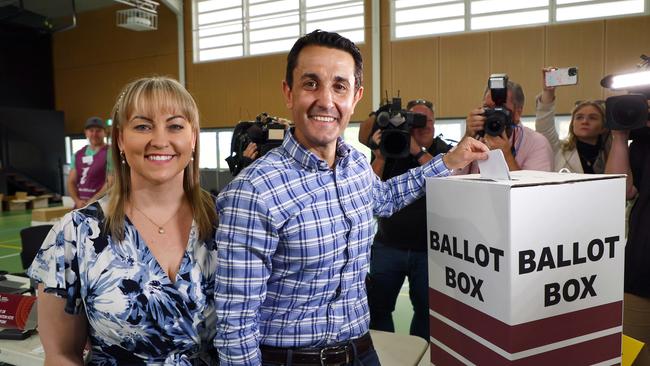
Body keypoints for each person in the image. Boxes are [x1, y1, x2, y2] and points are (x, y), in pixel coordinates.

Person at [214, 29, 488, 366]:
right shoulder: (253, 191)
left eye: (339, 86)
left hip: (361, 351)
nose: (326, 100)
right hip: (290, 359)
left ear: (355, 96)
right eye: (311, 83)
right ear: (288, 92)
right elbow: (235, 323)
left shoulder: (356, 166)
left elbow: (385, 198)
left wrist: (448, 162)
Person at [28, 76, 219, 365]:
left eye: (175, 126)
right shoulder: (75, 234)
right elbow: (61, 354)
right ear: (120, 138)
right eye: (142, 126)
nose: (159, 140)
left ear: (192, 137)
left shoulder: (228, 222)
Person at [358, 99, 450, 340]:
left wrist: (417, 151)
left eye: (426, 119)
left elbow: (446, 185)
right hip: (388, 246)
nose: (422, 125)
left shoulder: (444, 151)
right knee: (378, 308)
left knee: (426, 312)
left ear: (434, 122)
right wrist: (380, 155)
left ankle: (420, 354)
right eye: (415, 120)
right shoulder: (391, 149)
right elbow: (368, 192)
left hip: (428, 251)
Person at [606, 101, 650, 366]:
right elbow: (619, 189)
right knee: (627, 358)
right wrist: (620, 136)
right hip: (639, 270)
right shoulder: (644, 143)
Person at [459, 79, 553, 173]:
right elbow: (450, 175)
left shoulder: (537, 143)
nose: (493, 116)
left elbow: (533, 187)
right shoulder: (476, 137)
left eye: (500, 110)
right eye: (488, 108)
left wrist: (506, 155)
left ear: (517, 113)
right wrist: (467, 136)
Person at [535, 68, 610, 173]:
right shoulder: (558, 149)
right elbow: (544, 126)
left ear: (603, 127)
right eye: (579, 117)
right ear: (572, 124)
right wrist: (548, 92)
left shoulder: (611, 154)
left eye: (592, 118)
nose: (584, 121)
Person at [68, 116, 113, 208]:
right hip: (81, 205)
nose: (94, 134)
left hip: (103, 205)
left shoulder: (111, 152)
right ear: (86, 133)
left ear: (105, 133)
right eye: (91, 130)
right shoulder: (77, 155)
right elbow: (71, 181)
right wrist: (77, 201)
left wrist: (94, 200)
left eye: (98, 131)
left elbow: (111, 181)